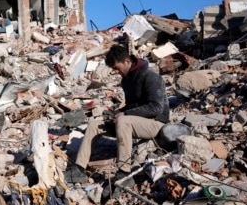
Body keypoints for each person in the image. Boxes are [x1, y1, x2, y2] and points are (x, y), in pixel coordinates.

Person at [65, 44, 170, 195]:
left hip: (156, 123)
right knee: (95, 124)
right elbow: (131, 105)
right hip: (134, 122)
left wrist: (125, 115)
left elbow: (156, 108)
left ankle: (124, 172)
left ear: (127, 61)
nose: (116, 72)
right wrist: (118, 112)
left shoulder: (150, 76)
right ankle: (79, 168)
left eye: (116, 67)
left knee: (123, 121)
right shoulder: (126, 80)